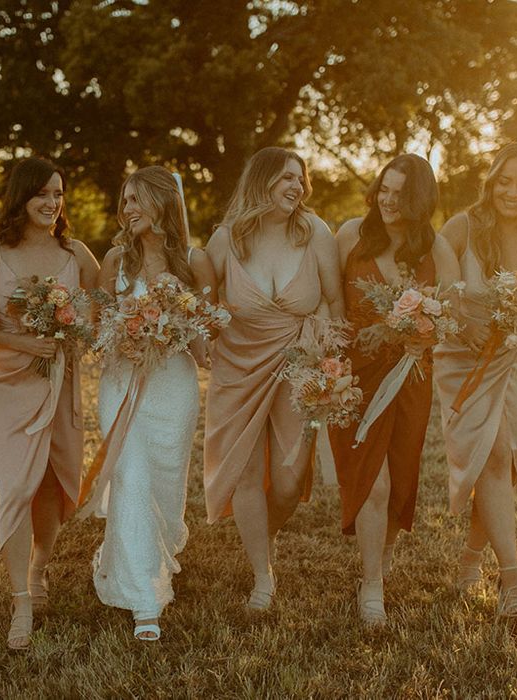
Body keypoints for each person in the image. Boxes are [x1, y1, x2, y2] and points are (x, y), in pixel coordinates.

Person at [0, 157, 99, 650]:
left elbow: (102, 309)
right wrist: (18, 340)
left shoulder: (76, 253)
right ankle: (21, 599)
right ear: (21, 198)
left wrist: (76, 332)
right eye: (42, 193)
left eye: (58, 194)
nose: (51, 203)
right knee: (16, 486)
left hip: (59, 379)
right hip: (3, 383)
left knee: (53, 480)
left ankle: (40, 566)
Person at [204, 147, 344, 610]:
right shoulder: (226, 240)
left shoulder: (315, 232)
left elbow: (333, 300)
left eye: (301, 179)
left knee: (288, 480)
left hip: (297, 366)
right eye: (287, 178)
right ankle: (262, 576)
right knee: (246, 474)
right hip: (237, 366)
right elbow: (203, 304)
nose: (297, 187)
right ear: (261, 181)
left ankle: (262, 535)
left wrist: (327, 355)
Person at [83, 165, 216, 641]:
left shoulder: (195, 263)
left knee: (163, 486)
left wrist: (179, 333)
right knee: (131, 477)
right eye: (125, 201)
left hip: (173, 390)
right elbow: (97, 329)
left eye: (137, 199)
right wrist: (125, 337)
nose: (128, 209)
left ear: (163, 202)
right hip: (121, 385)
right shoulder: (115, 260)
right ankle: (145, 601)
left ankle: (148, 556)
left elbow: (204, 342)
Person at [330, 153, 460, 626]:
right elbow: (329, 302)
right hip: (354, 380)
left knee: (399, 478)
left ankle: (377, 562)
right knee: (374, 484)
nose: (387, 199)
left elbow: (452, 318)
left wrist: (419, 330)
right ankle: (372, 585)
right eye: (384, 188)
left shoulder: (436, 250)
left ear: (420, 199)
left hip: (409, 378)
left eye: (400, 193)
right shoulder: (350, 236)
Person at [433, 142, 517, 619]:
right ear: (492, 179)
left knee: (502, 461)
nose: (513, 192)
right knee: (495, 452)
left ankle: (470, 557)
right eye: (505, 180)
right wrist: (464, 322)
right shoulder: (464, 226)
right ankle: (512, 579)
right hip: (465, 357)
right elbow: (438, 289)